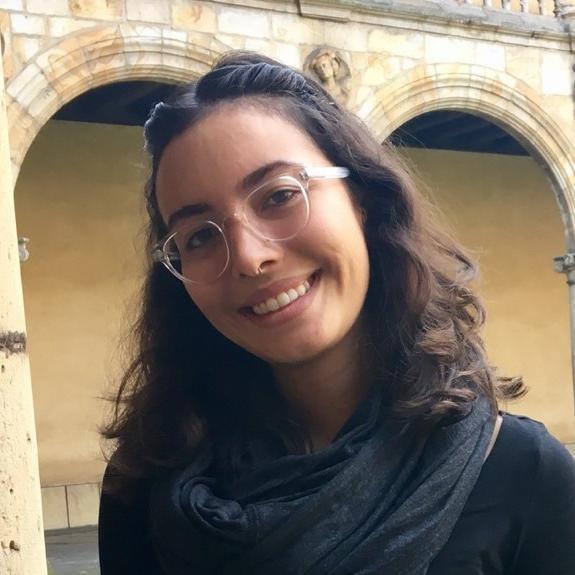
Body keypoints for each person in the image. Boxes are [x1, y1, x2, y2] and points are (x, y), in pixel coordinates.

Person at [98, 52, 575, 575]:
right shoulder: (145, 485)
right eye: (200, 236)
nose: (251, 257)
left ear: (362, 200)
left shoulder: (522, 474)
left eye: (280, 195)